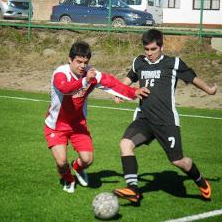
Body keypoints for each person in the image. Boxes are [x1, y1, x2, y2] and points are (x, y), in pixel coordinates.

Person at [113, 29, 217, 203]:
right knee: (125, 144)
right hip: (144, 119)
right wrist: (120, 92)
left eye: (153, 49)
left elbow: (192, 78)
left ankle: (199, 180)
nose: (149, 53)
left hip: (166, 121)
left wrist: (209, 90)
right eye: (146, 49)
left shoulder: (173, 63)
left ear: (161, 46)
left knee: (178, 161)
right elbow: (129, 77)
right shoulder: (139, 62)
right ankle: (133, 190)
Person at [44, 41, 150, 193]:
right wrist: (85, 80)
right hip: (56, 125)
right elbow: (65, 89)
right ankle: (68, 179)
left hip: (78, 125)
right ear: (70, 60)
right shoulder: (60, 73)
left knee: (87, 160)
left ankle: (77, 167)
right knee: (61, 162)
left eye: (85, 62)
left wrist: (133, 92)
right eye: (78, 62)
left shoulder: (91, 74)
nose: (82, 66)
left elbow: (112, 84)